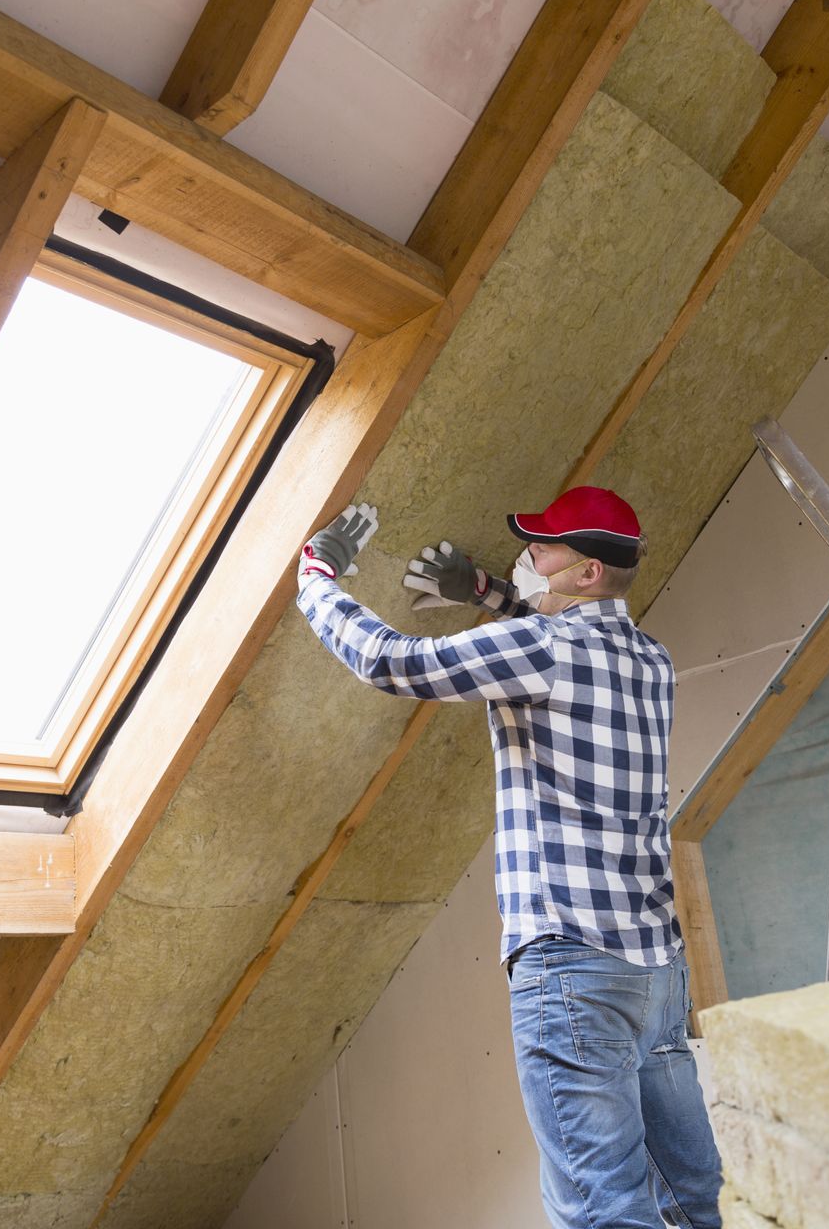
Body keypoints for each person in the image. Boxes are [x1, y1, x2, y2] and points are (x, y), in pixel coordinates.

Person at [295, 485, 722, 1229]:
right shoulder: (651, 661)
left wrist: (316, 579)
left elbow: (391, 662)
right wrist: (486, 592)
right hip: (653, 973)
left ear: (584, 573)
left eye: (543, 548)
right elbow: (553, 650)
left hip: (571, 971)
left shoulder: (541, 648)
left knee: (604, 1210)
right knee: (687, 1197)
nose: (528, 555)